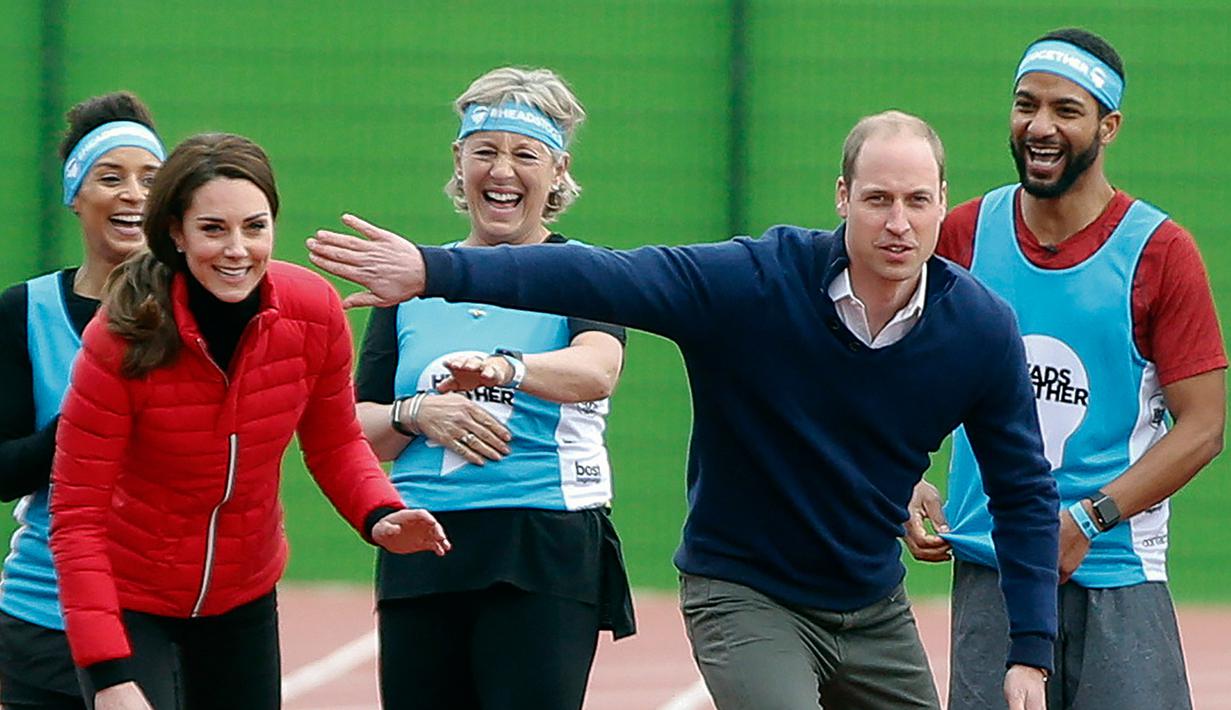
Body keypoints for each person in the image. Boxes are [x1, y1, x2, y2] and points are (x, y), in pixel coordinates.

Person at [309, 110, 1060, 710]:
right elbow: (601, 275)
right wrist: (435, 270)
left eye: (916, 201)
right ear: (841, 198)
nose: (897, 223)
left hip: (870, 603)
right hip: (745, 591)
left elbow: (1021, 490)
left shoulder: (978, 330)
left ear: (940, 203)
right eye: (877, 199)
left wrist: (1029, 649)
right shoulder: (755, 283)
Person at [49, 133, 451, 710]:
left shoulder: (311, 310)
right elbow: (77, 516)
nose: (237, 250)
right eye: (213, 229)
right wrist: (109, 675)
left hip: (244, 596)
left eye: (254, 227)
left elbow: (335, 441)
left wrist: (380, 512)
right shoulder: (120, 336)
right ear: (175, 234)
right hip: (132, 599)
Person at [903, 28, 1226, 710]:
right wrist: (904, 477)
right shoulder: (962, 235)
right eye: (1025, 105)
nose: (1039, 127)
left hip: (1116, 572)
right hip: (994, 567)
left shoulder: (1159, 252)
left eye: (1065, 110)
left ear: (1108, 126)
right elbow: (898, 370)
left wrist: (1087, 518)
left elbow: (1201, 427)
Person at [354, 66, 634, 710]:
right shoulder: (411, 288)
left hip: (541, 544)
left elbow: (597, 370)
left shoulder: (583, 273)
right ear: (459, 162)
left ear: (558, 170)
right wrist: (416, 412)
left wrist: (507, 369)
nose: (502, 171)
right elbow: (357, 429)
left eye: (524, 155)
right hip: (423, 543)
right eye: (485, 151)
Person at [0, 92, 164, 710]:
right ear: (76, 195)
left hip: (159, 610)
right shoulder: (27, 312)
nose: (133, 194)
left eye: (151, 179)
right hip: (46, 608)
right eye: (110, 177)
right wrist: (90, 421)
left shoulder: (193, 314)